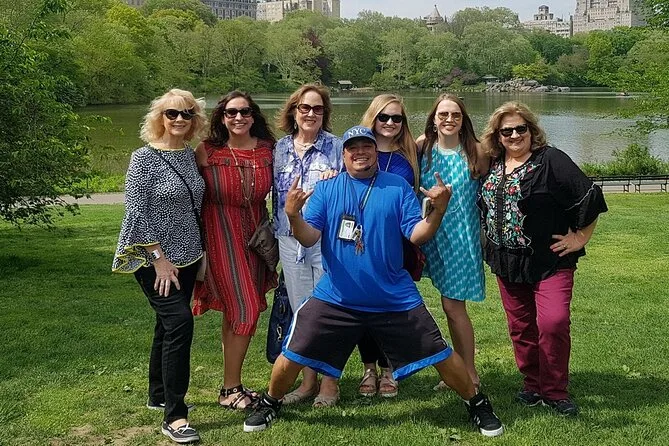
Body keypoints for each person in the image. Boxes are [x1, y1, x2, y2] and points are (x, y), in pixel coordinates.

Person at [243, 126, 504, 438]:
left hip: (394, 296)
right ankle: (270, 402)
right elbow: (309, 237)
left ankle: (477, 403)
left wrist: (437, 212)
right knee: (293, 353)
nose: (360, 153)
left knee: (440, 353)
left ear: (375, 152)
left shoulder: (396, 186)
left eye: (366, 146)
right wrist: (294, 216)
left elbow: (417, 234)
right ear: (343, 155)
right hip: (337, 296)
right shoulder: (327, 189)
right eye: (352, 148)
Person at [479, 102, 608, 416]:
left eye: (520, 128)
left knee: (553, 322)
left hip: (550, 260)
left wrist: (580, 237)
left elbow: (589, 195)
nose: (514, 135)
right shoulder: (493, 163)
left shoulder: (550, 160)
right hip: (507, 261)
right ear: (497, 135)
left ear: (531, 130)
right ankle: (533, 384)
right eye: (506, 131)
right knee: (521, 327)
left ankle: (555, 390)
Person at [112, 89, 207, 444]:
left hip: (189, 254)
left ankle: (158, 395)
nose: (179, 119)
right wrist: (159, 259)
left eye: (187, 113)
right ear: (160, 117)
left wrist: (202, 255)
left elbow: (196, 208)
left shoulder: (190, 156)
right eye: (172, 113)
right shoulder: (143, 158)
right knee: (179, 323)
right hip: (151, 257)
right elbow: (136, 211)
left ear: (194, 119)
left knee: (166, 326)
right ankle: (175, 416)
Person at [192, 91, 277, 410]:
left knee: (234, 313)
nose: (238, 117)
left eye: (245, 111)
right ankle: (230, 388)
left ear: (254, 116)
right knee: (246, 309)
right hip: (220, 236)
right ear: (222, 117)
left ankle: (231, 386)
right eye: (231, 112)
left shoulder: (268, 150)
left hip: (256, 239)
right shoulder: (207, 151)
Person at [273, 84, 343, 407]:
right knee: (302, 310)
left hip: (325, 241)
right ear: (294, 111)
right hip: (289, 241)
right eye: (304, 107)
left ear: (324, 114)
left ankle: (330, 383)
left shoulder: (337, 147)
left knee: (327, 308)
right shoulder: (279, 149)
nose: (311, 113)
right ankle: (308, 381)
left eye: (317, 109)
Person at [418, 94, 489, 392]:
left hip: (461, 237)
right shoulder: (423, 147)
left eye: (455, 115)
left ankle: (469, 373)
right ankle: (460, 368)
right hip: (432, 235)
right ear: (434, 119)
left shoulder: (475, 151)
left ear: (463, 120)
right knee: (447, 305)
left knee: (452, 306)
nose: (449, 119)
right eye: (443, 114)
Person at [354, 94, 420, 398]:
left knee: (391, 307)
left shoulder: (412, 152)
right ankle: (368, 368)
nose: (390, 123)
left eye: (397, 118)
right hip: (360, 241)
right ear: (373, 117)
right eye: (384, 117)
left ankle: (389, 367)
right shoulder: (356, 148)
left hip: (397, 242)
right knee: (363, 305)